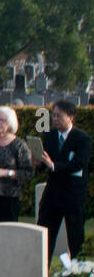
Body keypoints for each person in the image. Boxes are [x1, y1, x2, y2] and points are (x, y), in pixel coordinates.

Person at [36, 99, 91, 261]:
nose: (55, 119)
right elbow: (44, 164)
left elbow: (78, 164)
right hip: (52, 195)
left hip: (73, 196)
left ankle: (77, 272)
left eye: (59, 116)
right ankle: (41, 274)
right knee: (45, 236)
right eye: (53, 115)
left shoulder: (82, 139)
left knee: (75, 238)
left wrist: (53, 165)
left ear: (70, 117)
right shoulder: (50, 136)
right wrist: (38, 163)